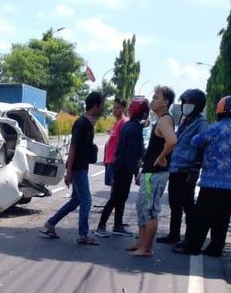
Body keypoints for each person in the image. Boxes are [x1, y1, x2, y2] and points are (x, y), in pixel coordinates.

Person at [174, 96, 231, 257]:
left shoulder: (213, 129)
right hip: (230, 185)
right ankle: (215, 249)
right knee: (222, 220)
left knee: (201, 218)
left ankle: (192, 247)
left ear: (219, 110)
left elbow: (195, 141)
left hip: (210, 182)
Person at [40, 91, 104, 245]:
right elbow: (73, 148)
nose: (102, 108)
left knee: (76, 200)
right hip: (78, 169)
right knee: (86, 201)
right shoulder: (81, 124)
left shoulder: (88, 124)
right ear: (95, 106)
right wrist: (69, 172)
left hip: (81, 168)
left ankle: (51, 223)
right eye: (101, 105)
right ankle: (83, 235)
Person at [128, 85, 177, 257]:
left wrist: (161, 157)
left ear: (166, 102)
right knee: (142, 207)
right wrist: (144, 169)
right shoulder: (160, 120)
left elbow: (172, 141)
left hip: (155, 176)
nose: (153, 100)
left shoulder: (164, 120)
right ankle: (141, 243)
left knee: (149, 210)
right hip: (149, 174)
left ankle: (146, 248)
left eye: (156, 97)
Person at [157, 89, 208, 245]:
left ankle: (190, 238)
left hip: (187, 170)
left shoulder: (201, 124)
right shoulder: (185, 121)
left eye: (189, 103)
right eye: (184, 102)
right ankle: (174, 234)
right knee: (175, 204)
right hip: (175, 168)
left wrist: (195, 170)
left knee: (187, 206)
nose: (186, 105)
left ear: (197, 105)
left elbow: (202, 147)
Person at [95, 97, 149, 238]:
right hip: (123, 167)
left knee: (121, 197)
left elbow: (137, 150)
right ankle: (101, 226)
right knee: (116, 198)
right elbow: (134, 152)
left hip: (121, 165)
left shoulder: (130, 125)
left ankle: (117, 225)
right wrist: (137, 172)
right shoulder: (134, 128)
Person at [104, 98, 128, 187]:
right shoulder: (117, 122)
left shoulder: (124, 122)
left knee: (116, 187)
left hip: (115, 161)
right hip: (110, 160)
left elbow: (123, 143)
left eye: (117, 108)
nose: (114, 110)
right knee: (113, 186)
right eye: (113, 108)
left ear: (123, 109)